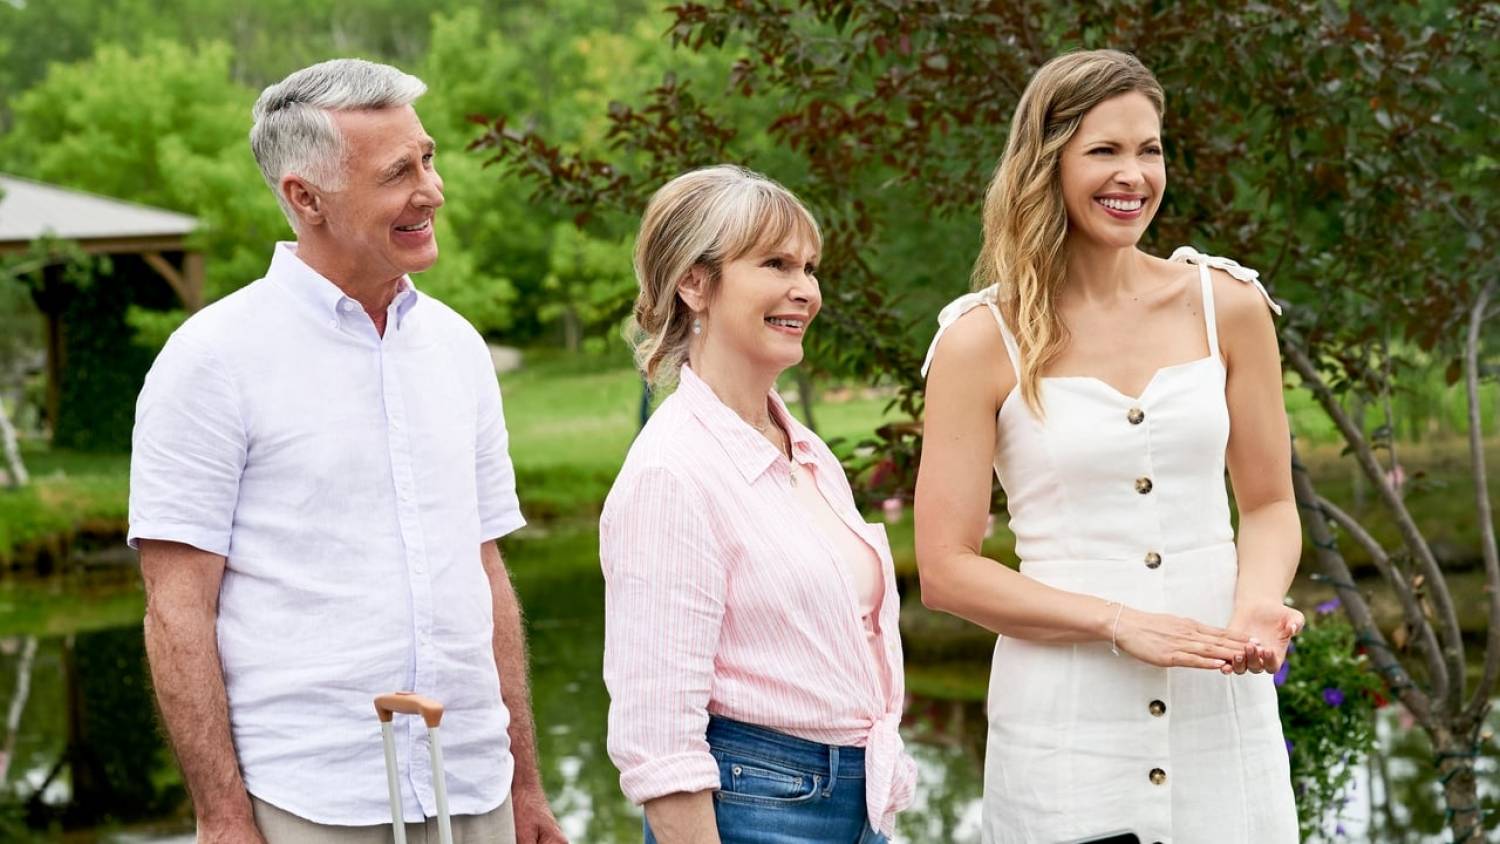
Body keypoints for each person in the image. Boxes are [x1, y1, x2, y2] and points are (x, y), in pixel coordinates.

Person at [129, 59, 565, 844]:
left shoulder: (458, 349)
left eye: (428, 159)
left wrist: (526, 785)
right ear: (306, 198)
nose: (432, 191)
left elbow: (487, 574)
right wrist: (223, 818)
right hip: (311, 799)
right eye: (399, 173)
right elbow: (177, 608)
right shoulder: (210, 360)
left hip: (475, 785)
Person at [915, 49, 1302, 843]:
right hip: (1063, 739)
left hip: (1219, 720)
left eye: (1149, 150)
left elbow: (1268, 504)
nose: (1134, 175)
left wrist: (1259, 603)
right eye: (1104, 150)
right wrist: (1117, 621)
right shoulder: (979, 340)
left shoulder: (1227, 305)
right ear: (1047, 163)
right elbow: (947, 570)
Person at [599, 165, 916, 844]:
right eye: (776, 264)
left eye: (809, 268)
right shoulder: (672, 473)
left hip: (854, 804)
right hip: (756, 810)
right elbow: (659, 744)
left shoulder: (803, 451)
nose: (805, 290)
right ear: (695, 283)